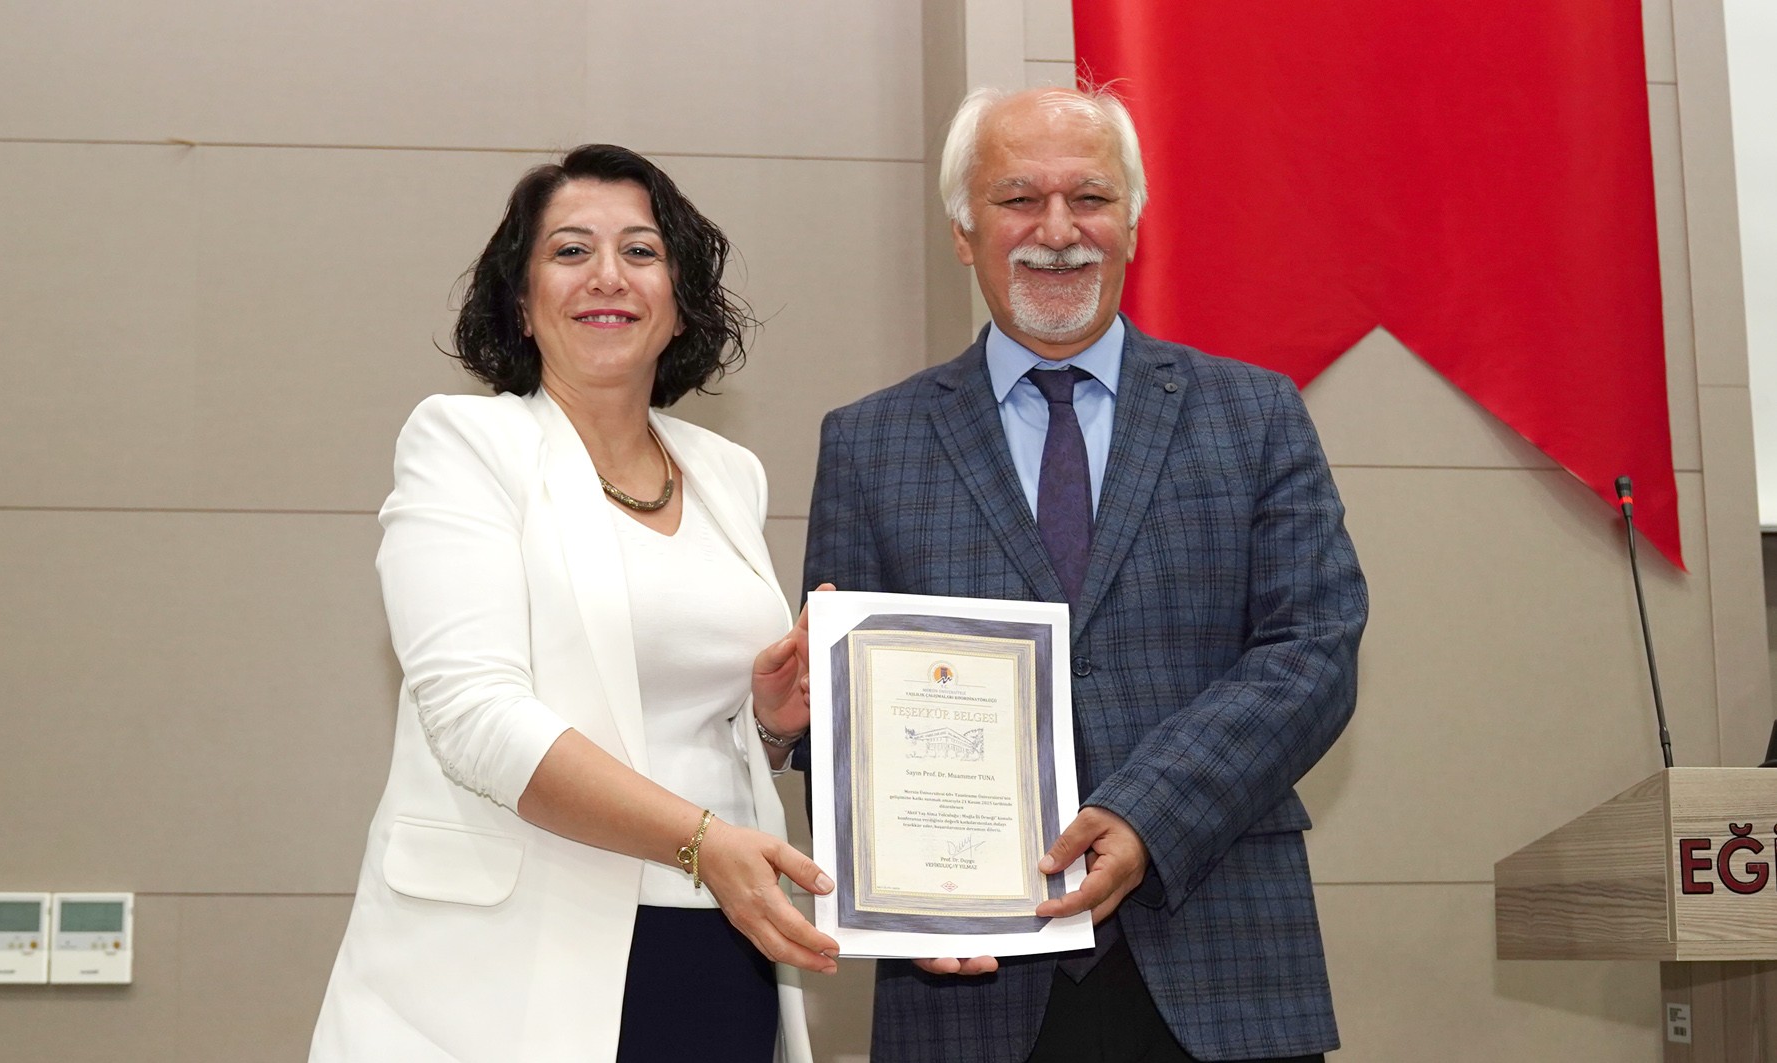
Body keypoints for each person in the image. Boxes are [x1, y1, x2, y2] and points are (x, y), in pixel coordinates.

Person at [801, 86, 1367, 1063]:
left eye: (1090, 199)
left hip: (1222, 958)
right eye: (1020, 198)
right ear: (963, 232)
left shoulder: (1256, 415)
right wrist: (896, 892)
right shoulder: (869, 443)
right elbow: (843, 705)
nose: (1058, 231)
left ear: (1134, 224)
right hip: (970, 981)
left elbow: (1313, 652)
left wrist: (1147, 812)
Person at [310, 144, 836, 1063]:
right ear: (521, 301)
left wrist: (766, 721)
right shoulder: (464, 442)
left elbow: (674, 722)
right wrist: (700, 840)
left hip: (718, 936)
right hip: (508, 961)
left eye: (641, 251)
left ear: (680, 299)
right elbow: (475, 717)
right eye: (570, 251)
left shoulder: (727, 472)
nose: (608, 276)